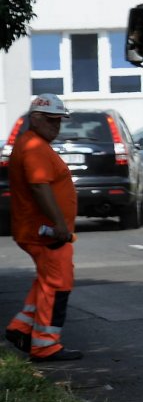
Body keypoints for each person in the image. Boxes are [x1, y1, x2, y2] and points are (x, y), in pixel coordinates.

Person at [7, 94, 83, 362]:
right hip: (46, 233)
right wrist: (59, 223)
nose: (56, 126)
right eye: (51, 120)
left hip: (37, 230)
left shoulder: (30, 143)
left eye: (59, 121)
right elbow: (40, 186)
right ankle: (45, 346)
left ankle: (22, 328)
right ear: (35, 118)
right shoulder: (34, 147)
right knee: (58, 285)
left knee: (47, 282)